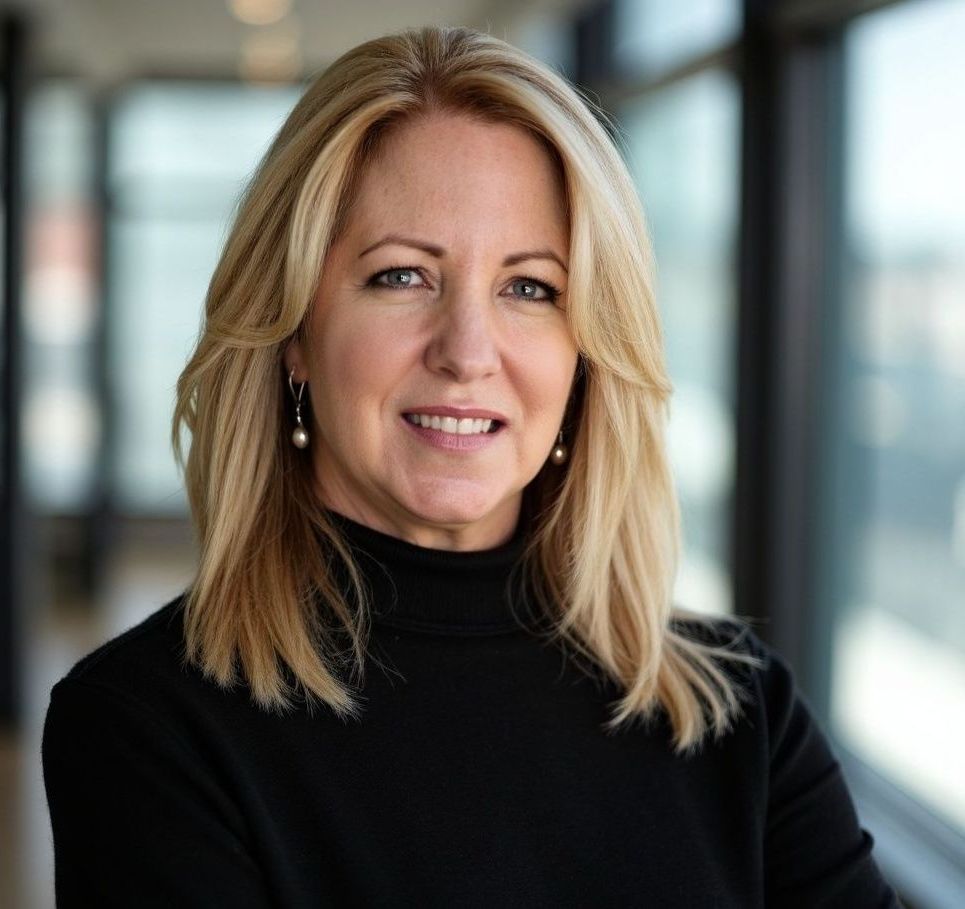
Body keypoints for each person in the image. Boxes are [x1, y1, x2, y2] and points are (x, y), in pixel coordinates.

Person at [41, 24, 901, 908]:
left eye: (530, 288)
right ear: (293, 329)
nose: (466, 351)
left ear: (588, 354)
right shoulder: (145, 727)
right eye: (402, 276)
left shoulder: (735, 710)